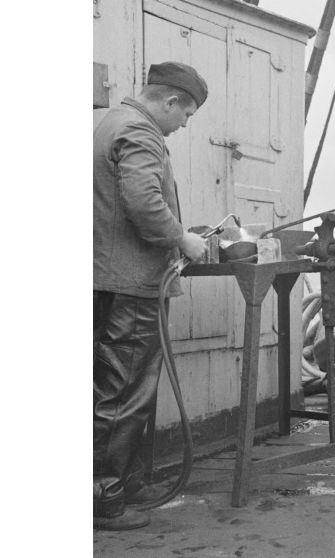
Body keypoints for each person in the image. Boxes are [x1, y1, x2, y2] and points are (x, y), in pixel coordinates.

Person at [93, 61, 209, 531]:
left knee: (119, 389)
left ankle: (126, 478)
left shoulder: (109, 122)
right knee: (121, 394)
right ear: (171, 101)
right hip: (132, 284)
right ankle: (104, 494)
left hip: (109, 279)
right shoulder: (140, 132)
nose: (184, 124)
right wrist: (183, 239)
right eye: (187, 115)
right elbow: (144, 203)